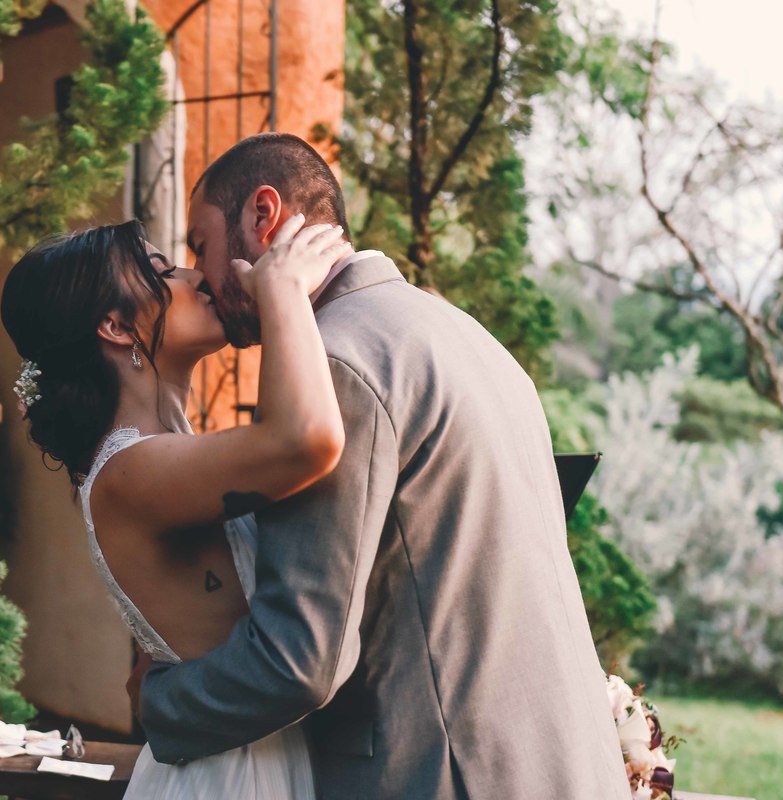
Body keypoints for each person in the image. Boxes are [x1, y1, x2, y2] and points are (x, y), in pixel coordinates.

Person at [132, 132, 631, 799]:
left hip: (445, 775)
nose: (199, 274)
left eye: (201, 244)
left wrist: (160, 702)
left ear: (262, 215)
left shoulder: (335, 364)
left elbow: (299, 659)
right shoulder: (470, 339)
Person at [0, 215, 353, 798]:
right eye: (162, 272)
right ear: (115, 326)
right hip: (235, 774)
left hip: (254, 750)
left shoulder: (166, 455)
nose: (195, 276)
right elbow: (305, 440)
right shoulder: (128, 471)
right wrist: (283, 289)